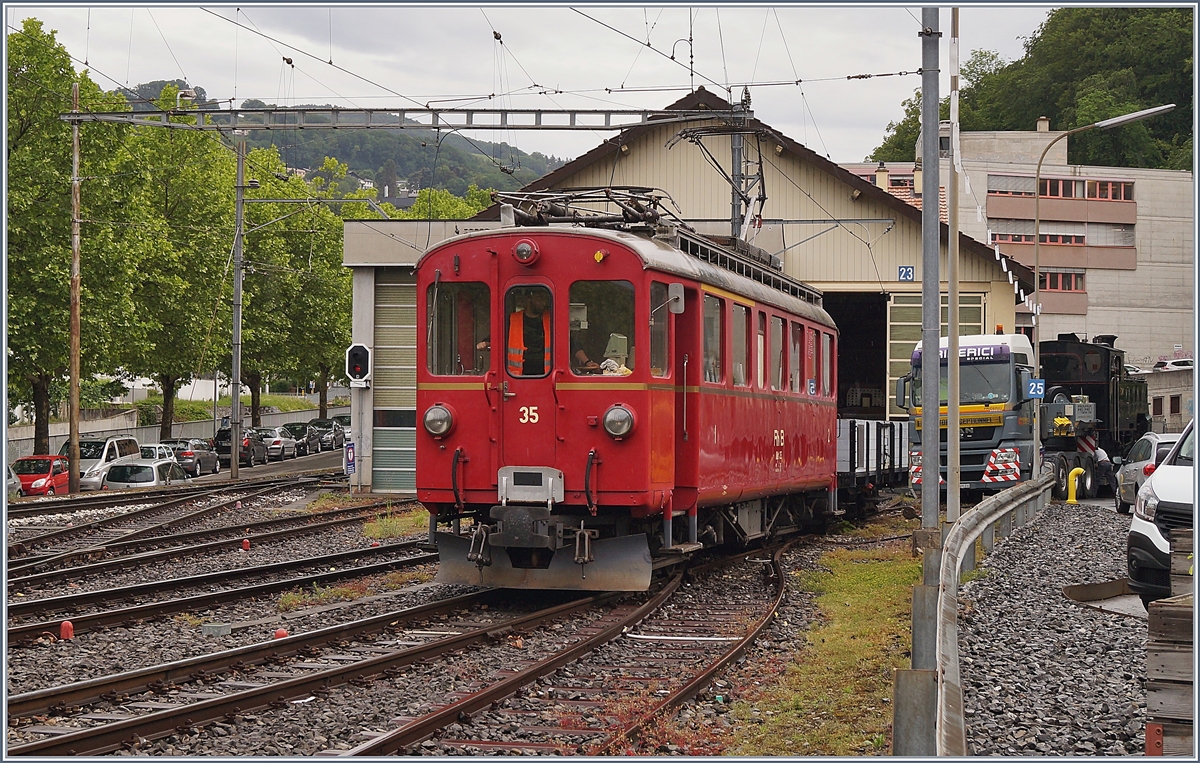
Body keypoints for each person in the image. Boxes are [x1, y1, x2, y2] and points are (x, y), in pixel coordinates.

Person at [477, 289, 553, 376]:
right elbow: (498, 335)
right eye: (540, 298)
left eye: (545, 299)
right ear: (529, 298)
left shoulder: (552, 319)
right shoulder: (512, 320)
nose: (544, 303)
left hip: (546, 375)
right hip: (517, 377)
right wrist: (486, 343)